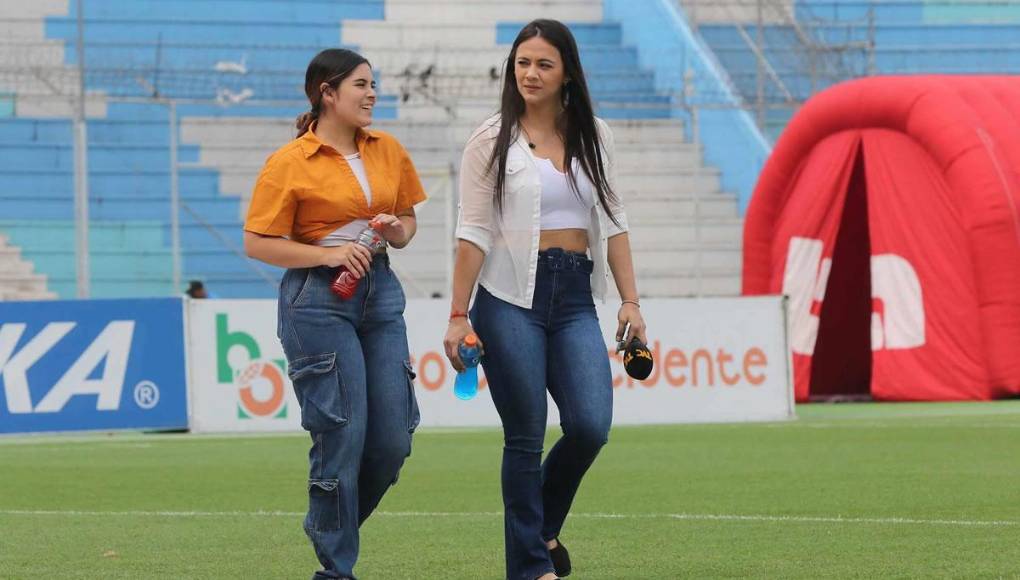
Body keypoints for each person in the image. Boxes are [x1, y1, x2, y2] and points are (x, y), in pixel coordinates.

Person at [443, 19, 648, 580]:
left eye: (543, 64)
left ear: (567, 74)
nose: (530, 74)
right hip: (509, 298)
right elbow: (472, 233)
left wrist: (631, 301)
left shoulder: (595, 135)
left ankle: (542, 529)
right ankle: (533, 569)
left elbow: (614, 221)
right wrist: (458, 315)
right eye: (522, 63)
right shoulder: (490, 139)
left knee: (589, 425)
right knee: (526, 435)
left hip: (575, 293)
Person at [243, 48, 426, 580]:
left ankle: (329, 524)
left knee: (393, 439)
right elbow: (257, 242)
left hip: (380, 291)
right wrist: (327, 254)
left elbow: (408, 223)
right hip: (317, 297)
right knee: (342, 432)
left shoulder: (388, 149)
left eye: (373, 85)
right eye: (361, 85)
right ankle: (336, 568)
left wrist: (397, 231)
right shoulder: (289, 161)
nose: (372, 94)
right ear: (327, 93)